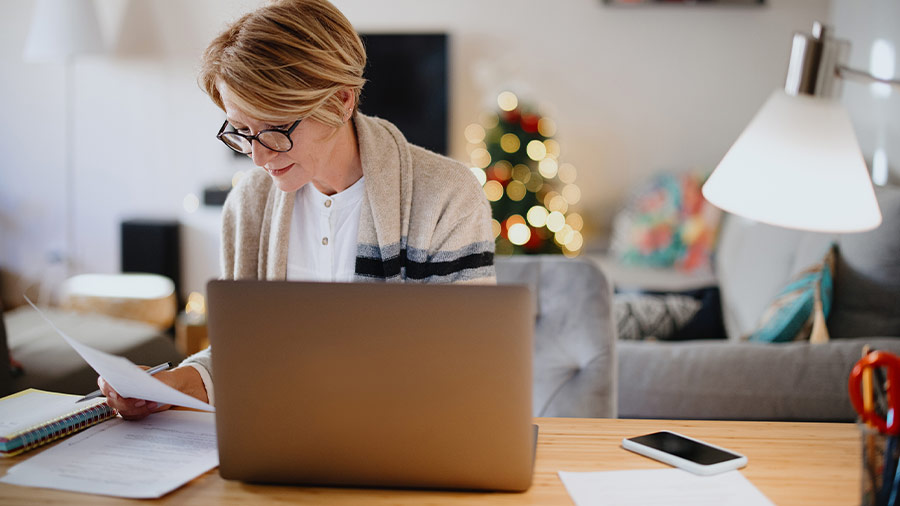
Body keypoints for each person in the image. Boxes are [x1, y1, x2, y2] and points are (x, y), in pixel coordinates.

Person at [99, 0, 495, 419]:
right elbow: (243, 354)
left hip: (401, 436)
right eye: (243, 131)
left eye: (274, 129)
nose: (256, 156)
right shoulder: (249, 204)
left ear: (342, 101)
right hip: (278, 436)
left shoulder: (447, 196)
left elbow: (464, 366)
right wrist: (166, 388)